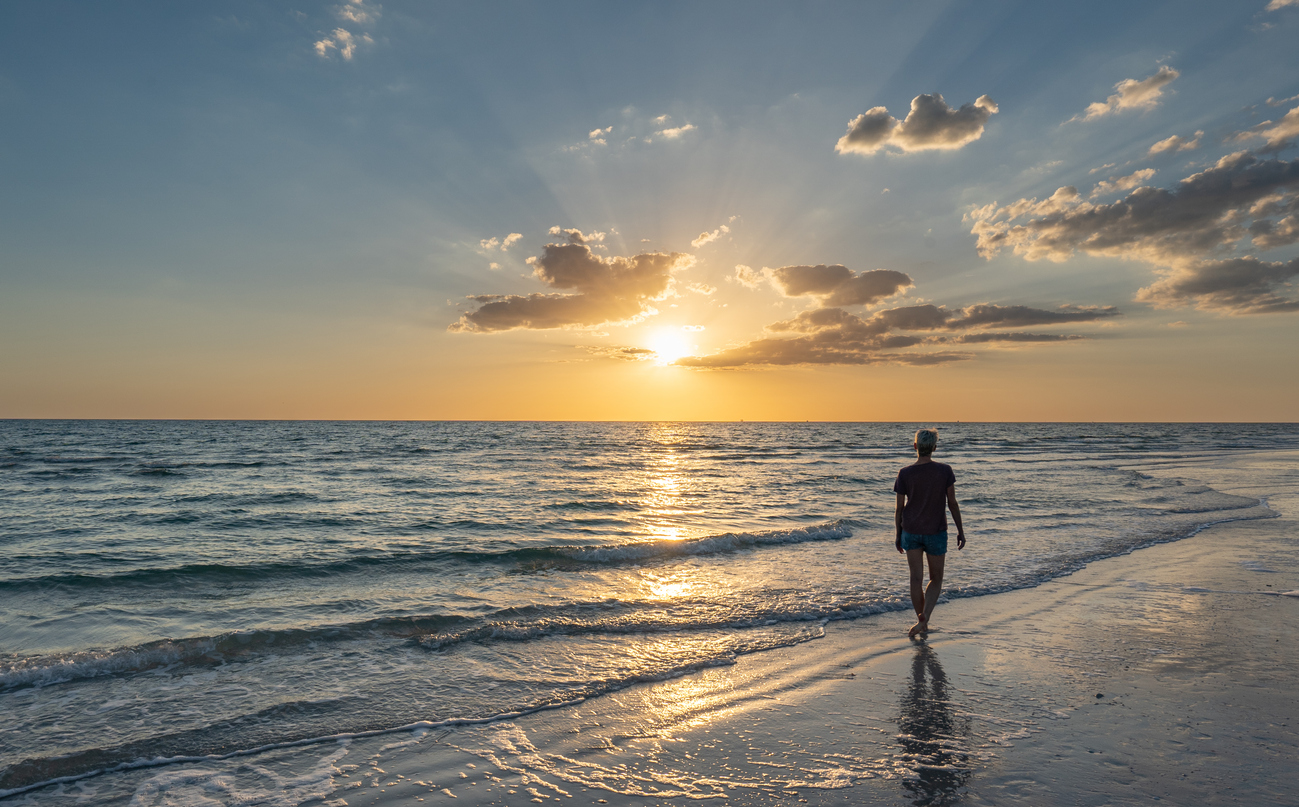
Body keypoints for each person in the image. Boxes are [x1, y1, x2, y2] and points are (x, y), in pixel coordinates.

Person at [894, 428, 965, 639]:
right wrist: (960, 530)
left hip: (911, 531)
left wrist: (898, 534)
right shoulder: (945, 471)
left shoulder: (905, 473)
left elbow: (899, 508)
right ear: (934, 447)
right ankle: (923, 618)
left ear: (915, 446)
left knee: (915, 579)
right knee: (936, 578)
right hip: (935, 531)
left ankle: (921, 621)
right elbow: (952, 503)